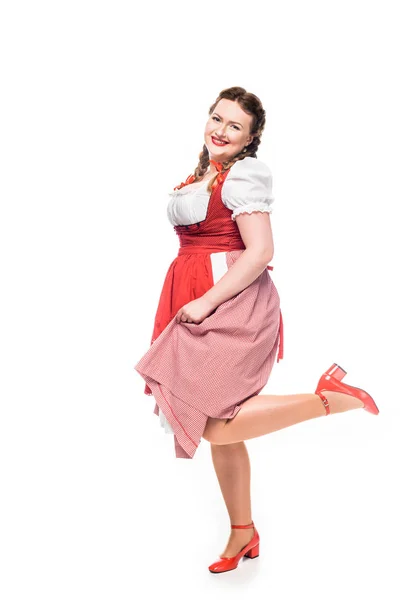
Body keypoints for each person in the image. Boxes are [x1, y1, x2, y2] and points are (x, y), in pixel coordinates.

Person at [134, 86, 380, 574]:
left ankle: (330, 398)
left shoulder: (245, 174)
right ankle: (243, 531)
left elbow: (261, 251)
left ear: (250, 139)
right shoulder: (205, 172)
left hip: (231, 299)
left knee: (208, 419)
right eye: (216, 118)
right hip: (194, 291)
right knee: (223, 431)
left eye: (234, 126)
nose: (220, 131)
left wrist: (205, 301)